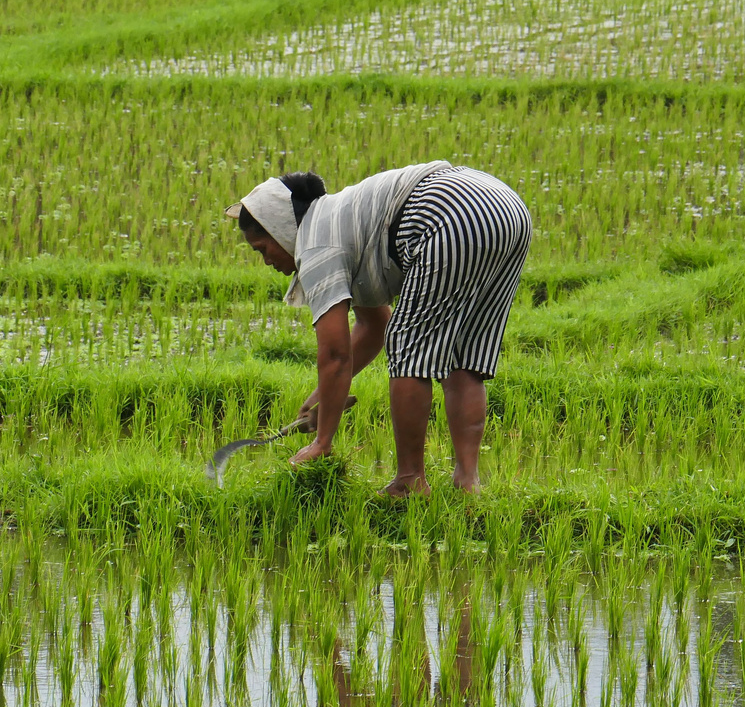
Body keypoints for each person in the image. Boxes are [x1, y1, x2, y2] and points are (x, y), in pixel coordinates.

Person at [225, 161, 531, 494]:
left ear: (279, 227)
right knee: (461, 353)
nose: (267, 261)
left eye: (262, 249)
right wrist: (324, 396)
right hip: (506, 208)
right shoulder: (337, 220)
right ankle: (467, 480)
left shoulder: (315, 245)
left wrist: (322, 441)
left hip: (451, 211)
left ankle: (409, 480)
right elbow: (374, 326)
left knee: (408, 346)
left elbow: (335, 354)